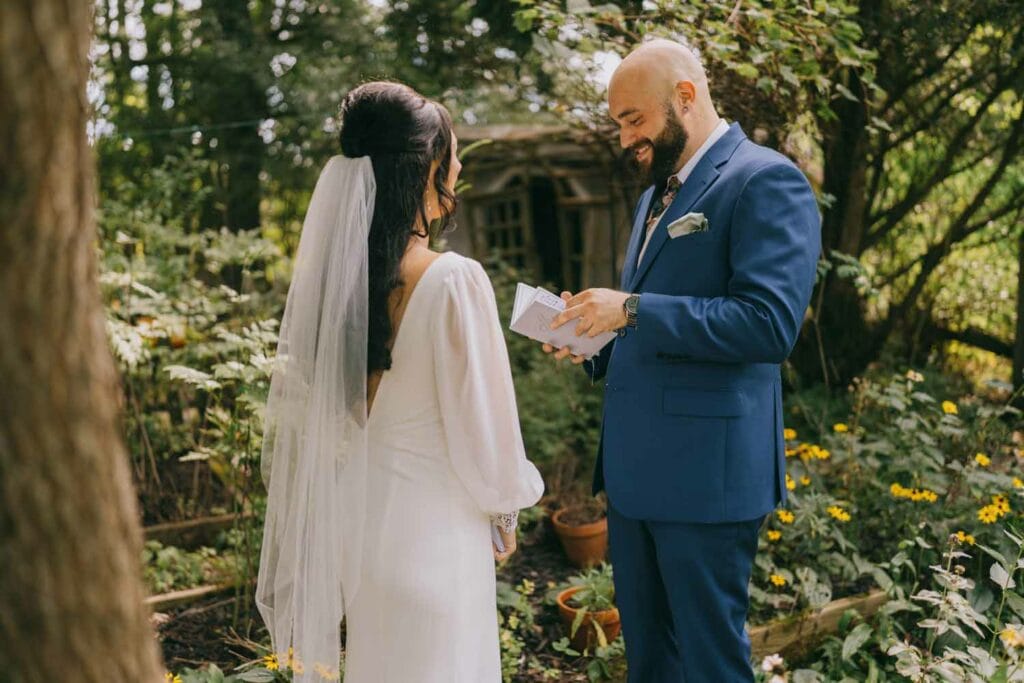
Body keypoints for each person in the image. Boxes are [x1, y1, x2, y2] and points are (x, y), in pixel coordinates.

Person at [544, 39, 821, 681]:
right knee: (650, 660)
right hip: (636, 475)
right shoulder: (652, 198)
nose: (624, 138)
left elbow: (768, 325)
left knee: (710, 660)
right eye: (618, 123)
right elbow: (648, 320)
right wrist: (593, 336)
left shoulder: (765, 179)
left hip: (707, 479)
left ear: (686, 97)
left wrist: (634, 308)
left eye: (633, 119)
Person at [256, 81, 544, 683]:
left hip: (370, 541)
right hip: (439, 542)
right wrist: (506, 514)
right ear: (425, 171)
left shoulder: (345, 295)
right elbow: (484, 425)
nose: (460, 166)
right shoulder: (452, 281)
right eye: (452, 155)